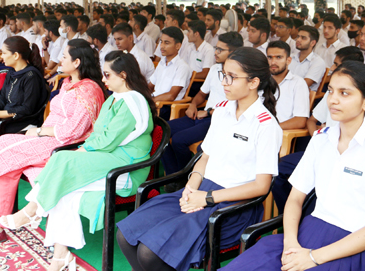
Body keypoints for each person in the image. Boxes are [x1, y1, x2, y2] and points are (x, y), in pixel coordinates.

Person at [223, 60, 365, 271]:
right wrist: (290, 244)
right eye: (330, 91)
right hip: (307, 232)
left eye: (345, 93)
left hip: (352, 246)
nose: (333, 100)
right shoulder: (321, 139)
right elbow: (295, 199)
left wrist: (313, 257)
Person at [118, 46, 282, 271]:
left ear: (253, 82)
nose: (224, 82)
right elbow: (206, 156)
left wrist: (207, 198)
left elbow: (261, 186)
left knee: (150, 253)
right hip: (202, 190)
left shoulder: (266, 125)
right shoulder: (222, 110)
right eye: (223, 75)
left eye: (232, 77)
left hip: (233, 206)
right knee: (126, 236)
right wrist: (191, 187)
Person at [0, 50, 156, 271]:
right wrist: (86, 148)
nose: (103, 79)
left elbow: (109, 140)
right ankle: (61, 256)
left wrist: (84, 150)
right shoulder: (115, 99)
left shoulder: (132, 101)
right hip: (108, 158)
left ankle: (33, 210)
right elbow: (98, 134)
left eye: (107, 75)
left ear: (123, 75)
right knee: (63, 186)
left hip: (126, 168)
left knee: (64, 159)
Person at [0, 44, 106, 248]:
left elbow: (74, 130)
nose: (59, 60)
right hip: (49, 138)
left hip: (67, 146)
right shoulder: (67, 82)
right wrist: (41, 133)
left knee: (5, 147)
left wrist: (39, 132)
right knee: (6, 154)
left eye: (64, 56)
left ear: (77, 62)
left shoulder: (89, 90)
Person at [272, 46, 365, 211]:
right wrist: (318, 135)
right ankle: (287, 214)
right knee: (279, 170)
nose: (332, 68)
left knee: (326, 178)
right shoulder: (331, 94)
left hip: (346, 154)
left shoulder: (361, 99)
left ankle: (310, 214)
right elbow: (312, 120)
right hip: (322, 146)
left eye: (336, 65)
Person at [161, 32, 243, 177]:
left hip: (218, 119)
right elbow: (201, 94)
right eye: (216, 48)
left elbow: (235, 107)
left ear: (233, 52)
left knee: (179, 140)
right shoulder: (215, 69)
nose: (215, 53)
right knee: (162, 130)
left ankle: (184, 177)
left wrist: (209, 111)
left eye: (220, 50)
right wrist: (192, 105)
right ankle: (172, 176)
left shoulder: (240, 76)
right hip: (201, 114)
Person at [0, 36, 48, 156]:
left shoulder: (31, 77)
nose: (1, 56)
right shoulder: (12, 72)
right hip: (6, 117)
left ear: (16, 55)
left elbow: (27, 109)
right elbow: (2, 97)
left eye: (4, 53)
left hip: (22, 120)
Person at [149, 27, 192, 120]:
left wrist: (150, 101)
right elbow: (150, 86)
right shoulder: (161, 63)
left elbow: (171, 95)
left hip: (167, 107)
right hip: (155, 103)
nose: (161, 46)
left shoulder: (182, 67)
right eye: (161, 42)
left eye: (166, 43)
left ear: (178, 46)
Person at [267, 41, 311, 130]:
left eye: (279, 57)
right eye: (270, 57)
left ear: (288, 60)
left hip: (280, 133)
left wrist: (272, 129)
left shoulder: (298, 83)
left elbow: (300, 120)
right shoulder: (260, 81)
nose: (273, 62)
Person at [289, 26, 327, 92]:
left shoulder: (317, 62)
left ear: (312, 43)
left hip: (300, 95)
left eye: (303, 38)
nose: (298, 40)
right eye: (298, 36)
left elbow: (303, 85)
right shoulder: (291, 57)